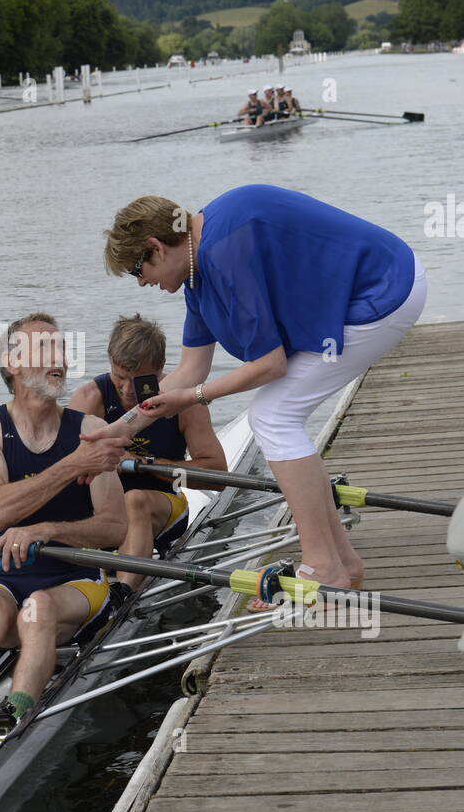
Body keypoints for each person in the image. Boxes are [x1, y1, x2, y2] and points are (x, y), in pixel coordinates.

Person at [81, 186, 427, 601]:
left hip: (385, 290)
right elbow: (190, 371)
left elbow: (269, 365)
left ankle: (322, 567)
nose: (141, 283)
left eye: (138, 269)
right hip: (373, 287)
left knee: (272, 416)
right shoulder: (197, 267)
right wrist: (118, 430)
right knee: (276, 414)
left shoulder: (222, 252)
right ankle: (342, 564)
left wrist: (196, 397)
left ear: (156, 247)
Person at [0, 312, 127, 720]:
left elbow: (116, 527)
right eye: (45, 348)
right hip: (7, 574)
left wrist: (47, 529)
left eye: (62, 348)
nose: (61, 358)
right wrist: (71, 467)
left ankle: (17, 715)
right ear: (11, 364)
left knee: (37, 608)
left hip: (78, 579)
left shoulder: (89, 428)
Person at [69, 314, 227, 589]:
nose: (129, 390)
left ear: (162, 368)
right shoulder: (89, 398)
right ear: (110, 364)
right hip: (104, 511)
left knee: (135, 500)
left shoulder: (185, 402)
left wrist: (142, 462)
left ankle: (123, 593)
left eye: (141, 380)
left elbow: (217, 475)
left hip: (164, 505)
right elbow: (63, 468)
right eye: (120, 378)